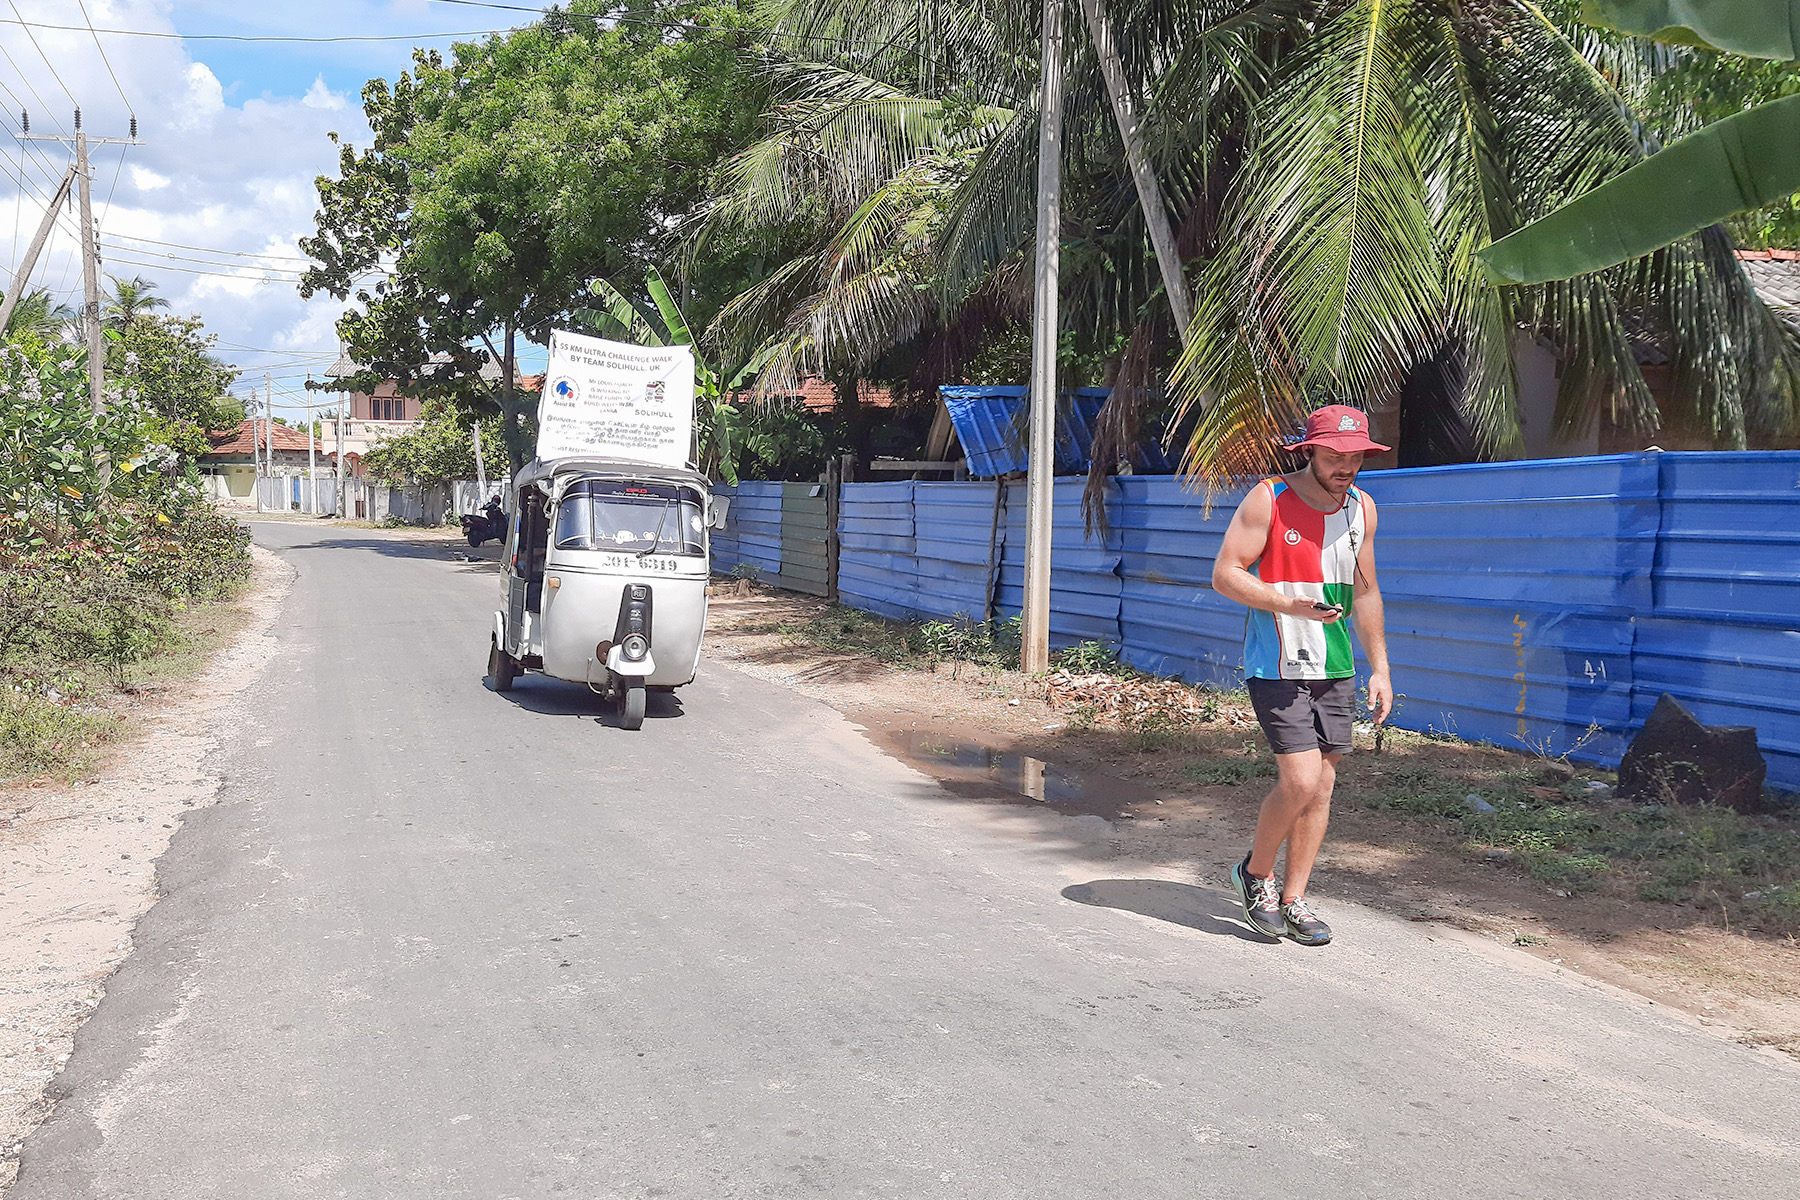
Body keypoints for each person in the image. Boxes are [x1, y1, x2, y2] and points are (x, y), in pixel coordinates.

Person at [1211, 405, 1393, 946]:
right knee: (1300, 780)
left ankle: (1293, 899)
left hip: (1336, 666)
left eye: (1356, 455)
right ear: (1309, 450)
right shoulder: (1269, 498)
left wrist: (1380, 667)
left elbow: (1366, 591)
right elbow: (1225, 574)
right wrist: (1286, 604)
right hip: (1278, 662)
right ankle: (1255, 874)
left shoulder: (1363, 508)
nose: (1346, 465)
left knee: (1323, 786)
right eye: (1334, 455)